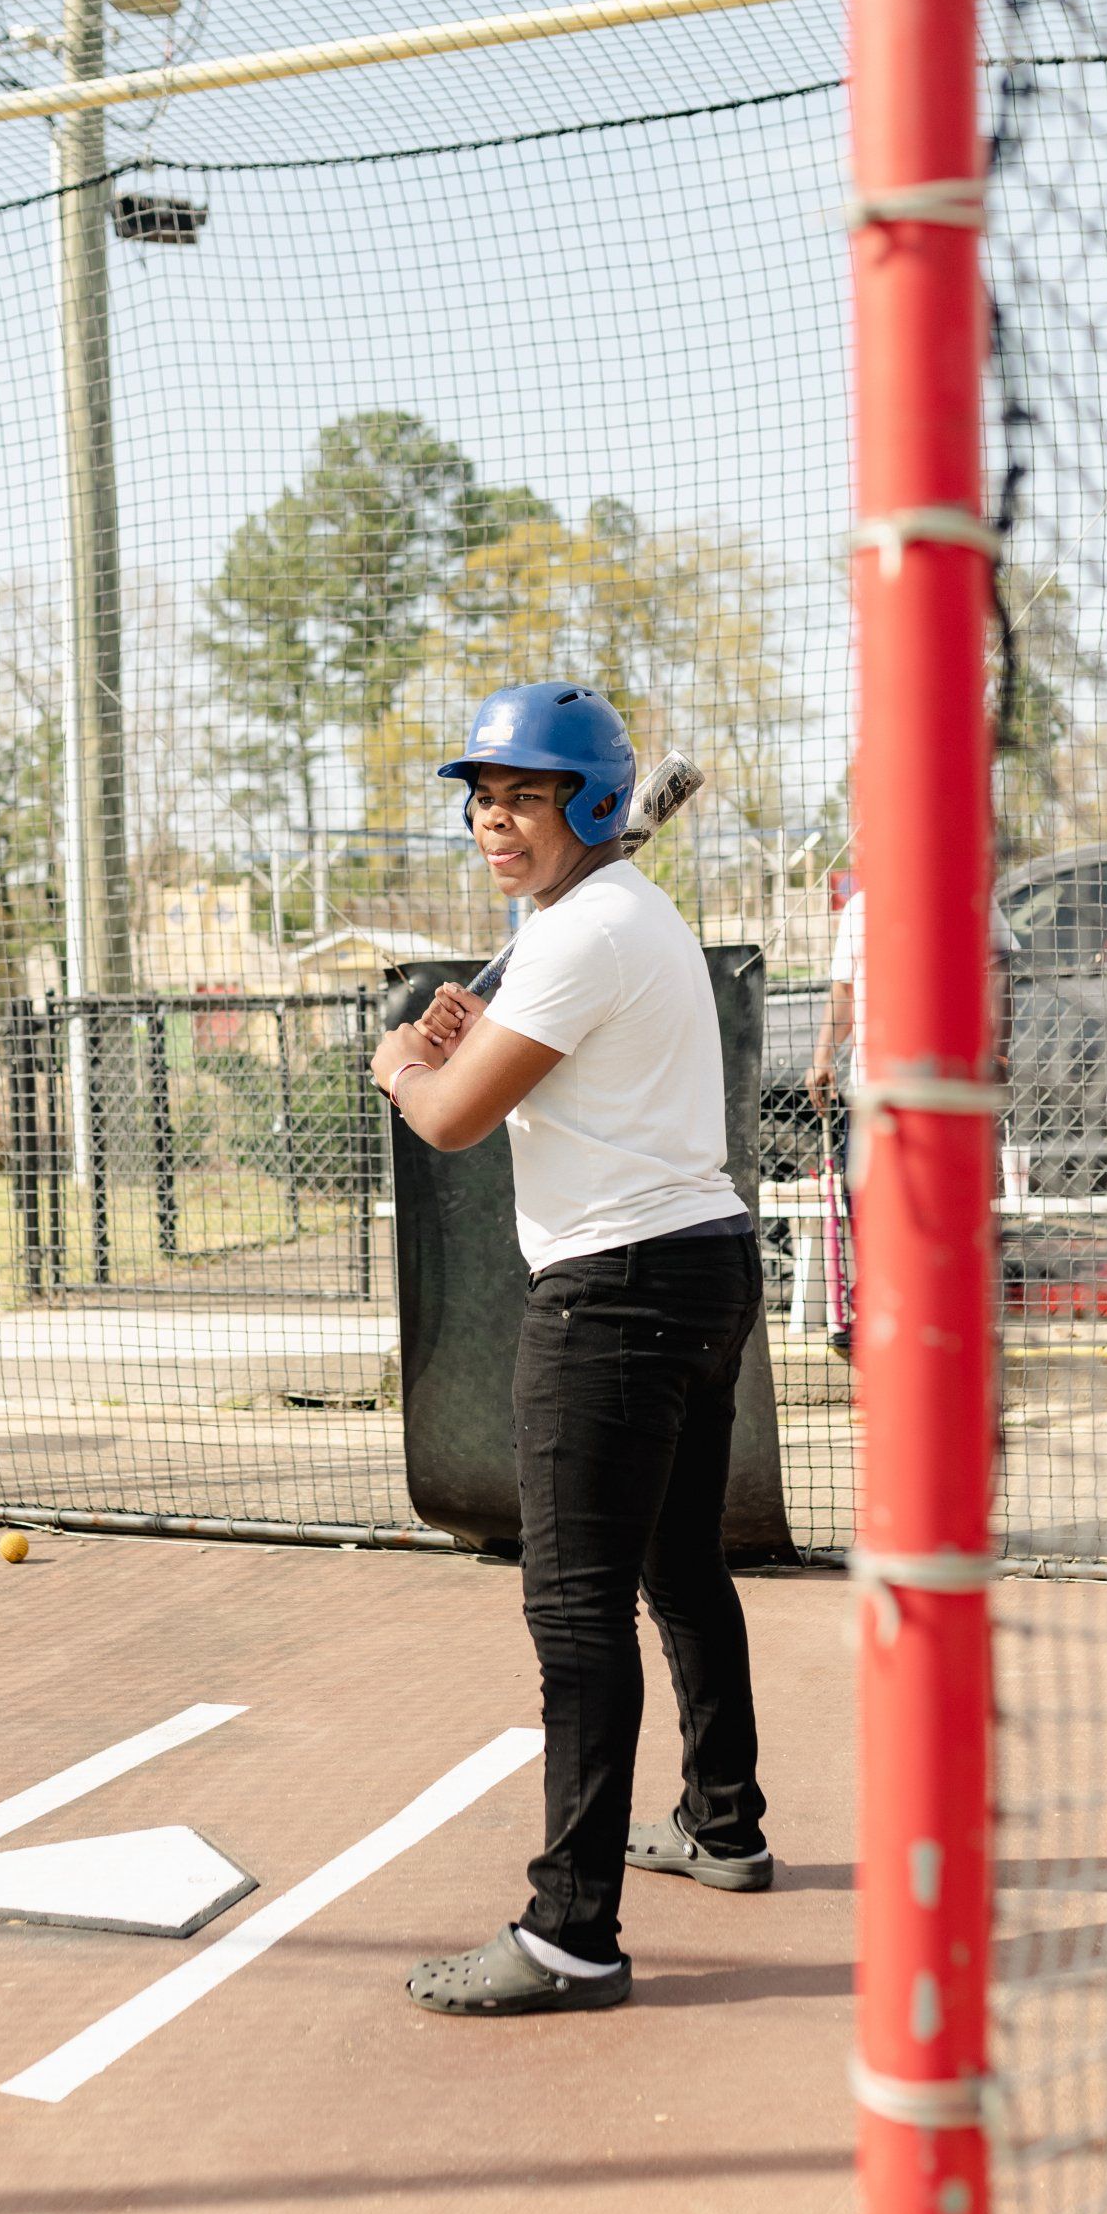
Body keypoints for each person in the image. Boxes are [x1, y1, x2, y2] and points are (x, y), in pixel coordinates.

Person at [371, 680, 772, 2018]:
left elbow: (448, 1126)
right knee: (676, 1567)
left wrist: (401, 1066)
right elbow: (527, 1064)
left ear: (595, 804)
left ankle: (570, 1932)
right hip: (698, 1265)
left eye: (527, 796)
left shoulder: (578, 935)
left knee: (577, 1610)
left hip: (616, 1292)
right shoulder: (611, 916)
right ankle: (724, 1827)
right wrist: (457, 1039)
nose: (495, 819)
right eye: (484, 797)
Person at [802, 872, 1018, 1355]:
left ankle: (962, 1314)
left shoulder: (966, 892)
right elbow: (843, 991)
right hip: (873, 1094)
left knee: (952, 1208)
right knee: (867, 1204)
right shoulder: (859, 908)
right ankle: (876, 1310)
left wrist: (998, 1054)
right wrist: (822, 1057)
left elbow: (1000, 968)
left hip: (946, 1091)